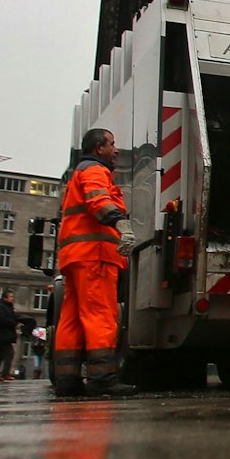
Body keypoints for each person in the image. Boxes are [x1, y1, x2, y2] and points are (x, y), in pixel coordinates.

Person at [54, 128, 138, 398]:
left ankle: (67, 380)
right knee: (101, 315)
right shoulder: (95, 170)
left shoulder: (78, 172)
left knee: (72, 319)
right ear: (99, 148)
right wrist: (120, 223)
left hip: (75, 256)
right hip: (95, 255)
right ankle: (102, 378)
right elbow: (98, 201)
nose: (117, 149)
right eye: (112, 144)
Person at [0, 289, 20, 382]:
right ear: (5, 298)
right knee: (9, 353)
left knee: (0, 355)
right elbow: (1, 319)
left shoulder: (8, 307)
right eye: (10, 297)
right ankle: (5, 373)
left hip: (5, 335)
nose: (12, 298)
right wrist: (14, 323)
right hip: (3, 335)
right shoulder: (1, 307)